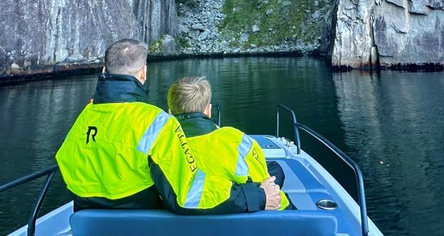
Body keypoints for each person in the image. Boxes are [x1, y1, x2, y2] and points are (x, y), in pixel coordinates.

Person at [55, 39, 282, 213]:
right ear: (143, 73)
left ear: (104, 71)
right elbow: (188, 194)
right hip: (143, 226)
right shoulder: (154, 121)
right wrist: (257, 197)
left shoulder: (85, 116)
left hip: (91, 224)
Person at [167, 77, 292, 210]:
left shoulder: (163, 147)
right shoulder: (235, 139)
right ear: (208, 110)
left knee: (274, 168)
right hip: (255, 221)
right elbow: (263, 182)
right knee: (274, 171)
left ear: (170, 112)